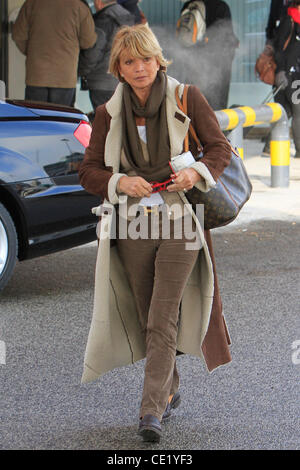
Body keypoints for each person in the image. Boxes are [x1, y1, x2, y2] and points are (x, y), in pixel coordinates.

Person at [79, 24, 232, 443]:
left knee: (163, 315)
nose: (140, 67)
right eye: (130, 61)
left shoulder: (187, 97)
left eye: (146, 59)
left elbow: (219, 149)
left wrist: (194, 172)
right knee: (149, 317)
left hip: (180, 220)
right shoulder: (108, 113)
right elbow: (89, 171)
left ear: (158, 60)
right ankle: (171, 384)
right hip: (134, 223)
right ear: (120, 68)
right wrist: (120, 183)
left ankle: (151, 409)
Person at [12, 0, 97, 106]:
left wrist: (31, 53)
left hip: (37, 75)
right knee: (61, 118)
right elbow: (88, 41)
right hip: (65, 76)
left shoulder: (31, 3)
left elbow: (18, 35)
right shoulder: (79, 6)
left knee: (35, 118)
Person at [176, 0, 239, 110]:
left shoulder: (189, 6)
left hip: (192, 64)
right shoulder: (221, 6)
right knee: (216, 104)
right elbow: (226, 38)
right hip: (217, 65)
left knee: (194, 102)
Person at [78, 0, 134, 112]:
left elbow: (93, 54)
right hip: (121, 78)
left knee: (104, 121)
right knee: (117, 120)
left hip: (101, 81)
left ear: (98, 2)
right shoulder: (127, 17)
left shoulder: (102, 20)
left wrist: (80, 71)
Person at [273, 0, 300, 158]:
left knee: (287, 112)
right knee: (295, 112)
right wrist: (281, 71)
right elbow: (279, 48)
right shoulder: (288, 20)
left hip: (296, 74)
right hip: (288, 75)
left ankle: (268, 146)